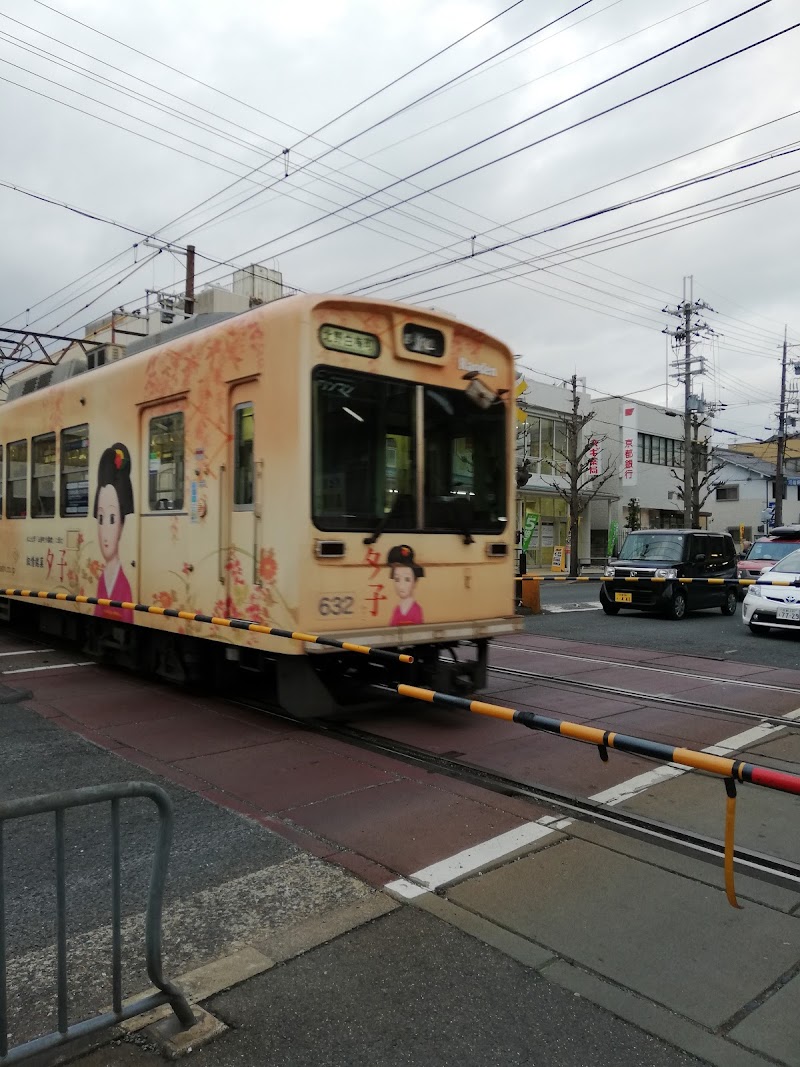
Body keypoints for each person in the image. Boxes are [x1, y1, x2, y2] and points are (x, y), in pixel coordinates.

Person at [94, 444, 135, 623]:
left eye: (112, 518)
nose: (105, 532)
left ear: (122, 524)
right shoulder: (102, 579)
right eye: (101, 518)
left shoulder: (124, 586)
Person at [387, 544, 424, 626]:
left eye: (407, 579)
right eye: (397, 579)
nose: (401, 585)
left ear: (415, 582)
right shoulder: (396, 610)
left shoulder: (417, 610)